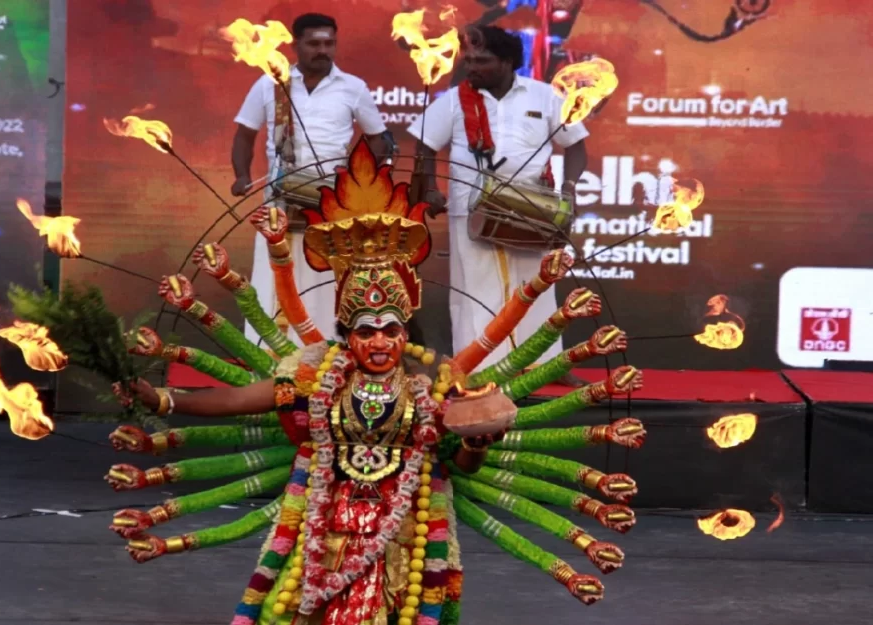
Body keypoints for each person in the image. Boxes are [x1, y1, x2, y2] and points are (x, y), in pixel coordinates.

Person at [97, 138, 643, 625]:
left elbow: (458, 463)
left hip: (406, 532)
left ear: (405, 333)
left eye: (389, 330)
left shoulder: (432, 389)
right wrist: (164, 399)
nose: (378, 341)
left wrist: (477, 442)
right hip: (323, 526)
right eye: (365, 330)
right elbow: (240, 400)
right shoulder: (315, 378)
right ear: (345, 334)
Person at [406, 25, 590, 381]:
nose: (472, 67)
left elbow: (577, 145)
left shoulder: (545, 96)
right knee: (475, 290)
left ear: (508, 62)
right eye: (469, 60)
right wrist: (430, 188)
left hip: (532, 209)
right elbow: (425, 146)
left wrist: (569, 187)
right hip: (471, 211)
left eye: (483, 61)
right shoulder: (454, 100)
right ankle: (477, 369)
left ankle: (545, 367)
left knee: (535, 287)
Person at [231, 12, 390, 347]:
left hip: (331, 203)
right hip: (279, 200)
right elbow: (245, 135)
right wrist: (242, 176)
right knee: (272, 278)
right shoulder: (270, 82)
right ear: (297, 44)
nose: (323, 50)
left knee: (324, 281)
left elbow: (379, 139)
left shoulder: (353, 88)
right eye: (314, 43)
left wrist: (367, 181)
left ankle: (324, 358)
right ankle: (270, 359)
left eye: (329, 43)